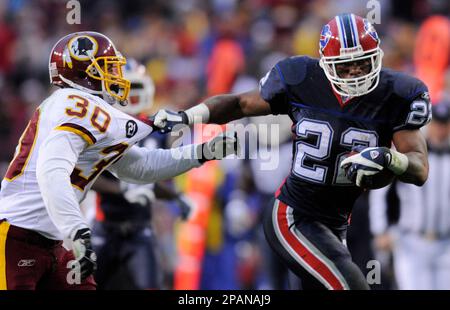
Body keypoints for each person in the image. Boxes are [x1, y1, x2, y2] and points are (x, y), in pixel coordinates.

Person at [153, 14, 431, 290]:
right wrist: (188, 116)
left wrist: (390, 158)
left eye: (363, 62)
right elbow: (239, 104)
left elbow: (419, 169)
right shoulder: (302, 78)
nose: (356, 71)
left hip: (336, 223)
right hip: (293, 215)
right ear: (327, 65)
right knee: (352, 285)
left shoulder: (396, 93)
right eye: (346, 66)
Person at [0, 31, 238, 290]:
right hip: (15, 237)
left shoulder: (90, 114)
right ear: (84, 73)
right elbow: (51, 172)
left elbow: (140, 166)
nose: (116, 76)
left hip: (53, 243)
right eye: (108, 68)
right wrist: (78, 230)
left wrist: (199, 153)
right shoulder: (73, 105)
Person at [91, 60, 195, 289]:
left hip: (140, 229)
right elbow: (86, 175)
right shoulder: (103, 127)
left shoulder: (157, 131)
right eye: (124, 89)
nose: (130, 96)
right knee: (81, 285)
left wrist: (176, 196)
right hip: (104, 227)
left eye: (135, 89)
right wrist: (123, 189)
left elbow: (159, 182)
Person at [369, 99, 450, 290]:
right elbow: (381, 191)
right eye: (437, 123)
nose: (440, 129)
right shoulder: (411, 153)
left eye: (445, 123)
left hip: (446, 243)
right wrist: (380, 229)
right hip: (411, 240)